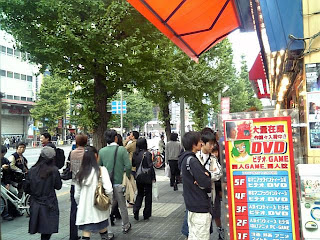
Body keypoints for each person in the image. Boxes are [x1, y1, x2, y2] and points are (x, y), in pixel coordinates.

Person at [74, 146, 113, 240]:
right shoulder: (101, 170)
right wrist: (109, 201)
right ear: (96, 156)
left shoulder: (80, 172)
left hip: (85, 210)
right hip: (99, 208)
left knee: (86, 232)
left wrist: (80, 204)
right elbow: (109, 189)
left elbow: (76, 195)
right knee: (103, 229)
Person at [24, 146, 62, 240]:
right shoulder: (54, 170)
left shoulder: (32, 170)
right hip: (50, 202)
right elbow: (58, 186)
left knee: (39, 226)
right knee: (47, 229)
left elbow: (26, 188)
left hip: (36, 202)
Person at [179, 131, 212, 240]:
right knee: (201, 236)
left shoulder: (184, 159)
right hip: (199, 205)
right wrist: (207, 176)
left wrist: (204, 176)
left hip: (191, 204)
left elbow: (202, 179)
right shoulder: (192, 160)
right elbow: (206, 182)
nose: (201, 143)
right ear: (194, 144)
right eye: (199, 141)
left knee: (193, 236)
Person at [99, 129, 132, 234]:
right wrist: (127, 176)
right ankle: (125, 225)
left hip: (106, 184)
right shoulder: (122, 150)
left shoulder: (102, 151)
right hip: (119, 183)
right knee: (122, 206)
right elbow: (128, 166)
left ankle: (108, 231)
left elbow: (99, 167)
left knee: (107, 207)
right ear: (116, 138)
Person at [69, 134, 88, 240]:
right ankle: (87, 233)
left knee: (74, 210)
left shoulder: (72, 153)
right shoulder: (87, 154)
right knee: (88, 208)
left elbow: (71, 168)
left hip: (74, 183)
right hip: (86, 184)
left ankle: (73, 235)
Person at [132, 138, 156, 221]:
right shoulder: (147, 154)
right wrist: (153, 177)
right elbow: (150, 166)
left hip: (139, 176)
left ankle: (136, 209)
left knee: (140, 193)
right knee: (148, 195)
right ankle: (146, 214)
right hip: (147, 176)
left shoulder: (135, 154)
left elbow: (133, 164)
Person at [1, 145, 14, 221]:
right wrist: (2, 168)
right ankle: (4, 213)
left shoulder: (5, 160)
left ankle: (13, 211)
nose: (2, 156)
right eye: (1, 154)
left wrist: (7, 183)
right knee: (4, 195)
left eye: (3, 154)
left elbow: (8, 174)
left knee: (13, 192)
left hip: (4, 182)